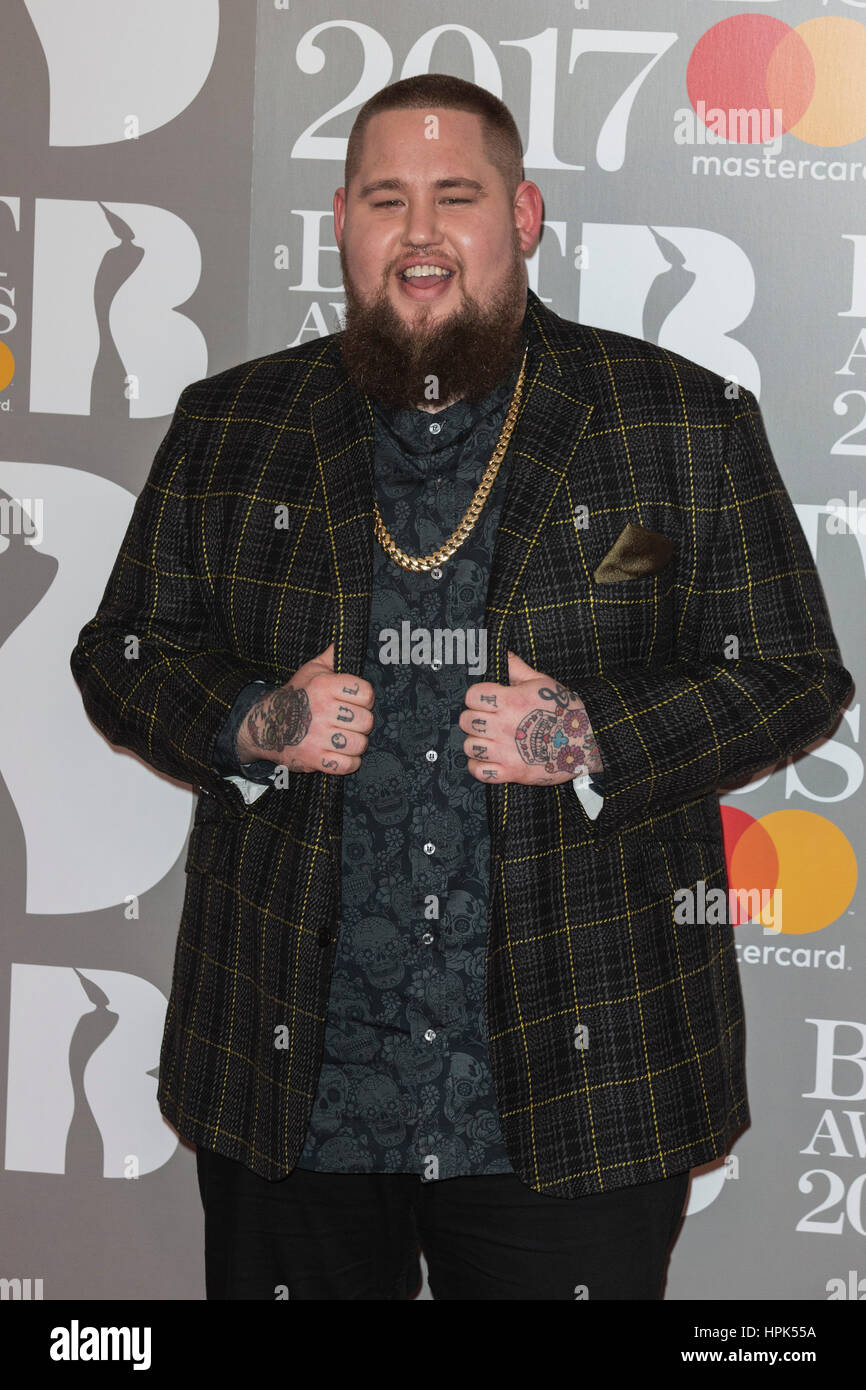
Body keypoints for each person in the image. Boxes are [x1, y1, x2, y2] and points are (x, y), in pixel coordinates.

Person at [70, 73, 853, 1301]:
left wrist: (596, 732)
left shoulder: (676, 422)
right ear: (339, 222)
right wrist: (259, 719)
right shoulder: (234, 425)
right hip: (301, 1089)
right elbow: (122, 652)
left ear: (524, 215)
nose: (420, 231)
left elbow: (796, 674)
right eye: (386, 199)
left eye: (455, 196)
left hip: (575, 1084)